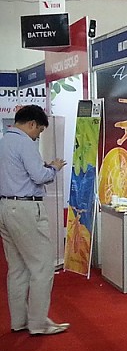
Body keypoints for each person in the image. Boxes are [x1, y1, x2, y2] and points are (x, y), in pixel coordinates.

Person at [0, 105, 69, 335]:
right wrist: (53, 168)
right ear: (31, 124)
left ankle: (19, 321)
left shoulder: (4, 142)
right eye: (39, 130)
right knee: (42, 266)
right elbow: (39, 176)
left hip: (6, 206)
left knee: (17, 268)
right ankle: (39, 323)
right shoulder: (25, 143)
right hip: (27, 209)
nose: (38, 135)